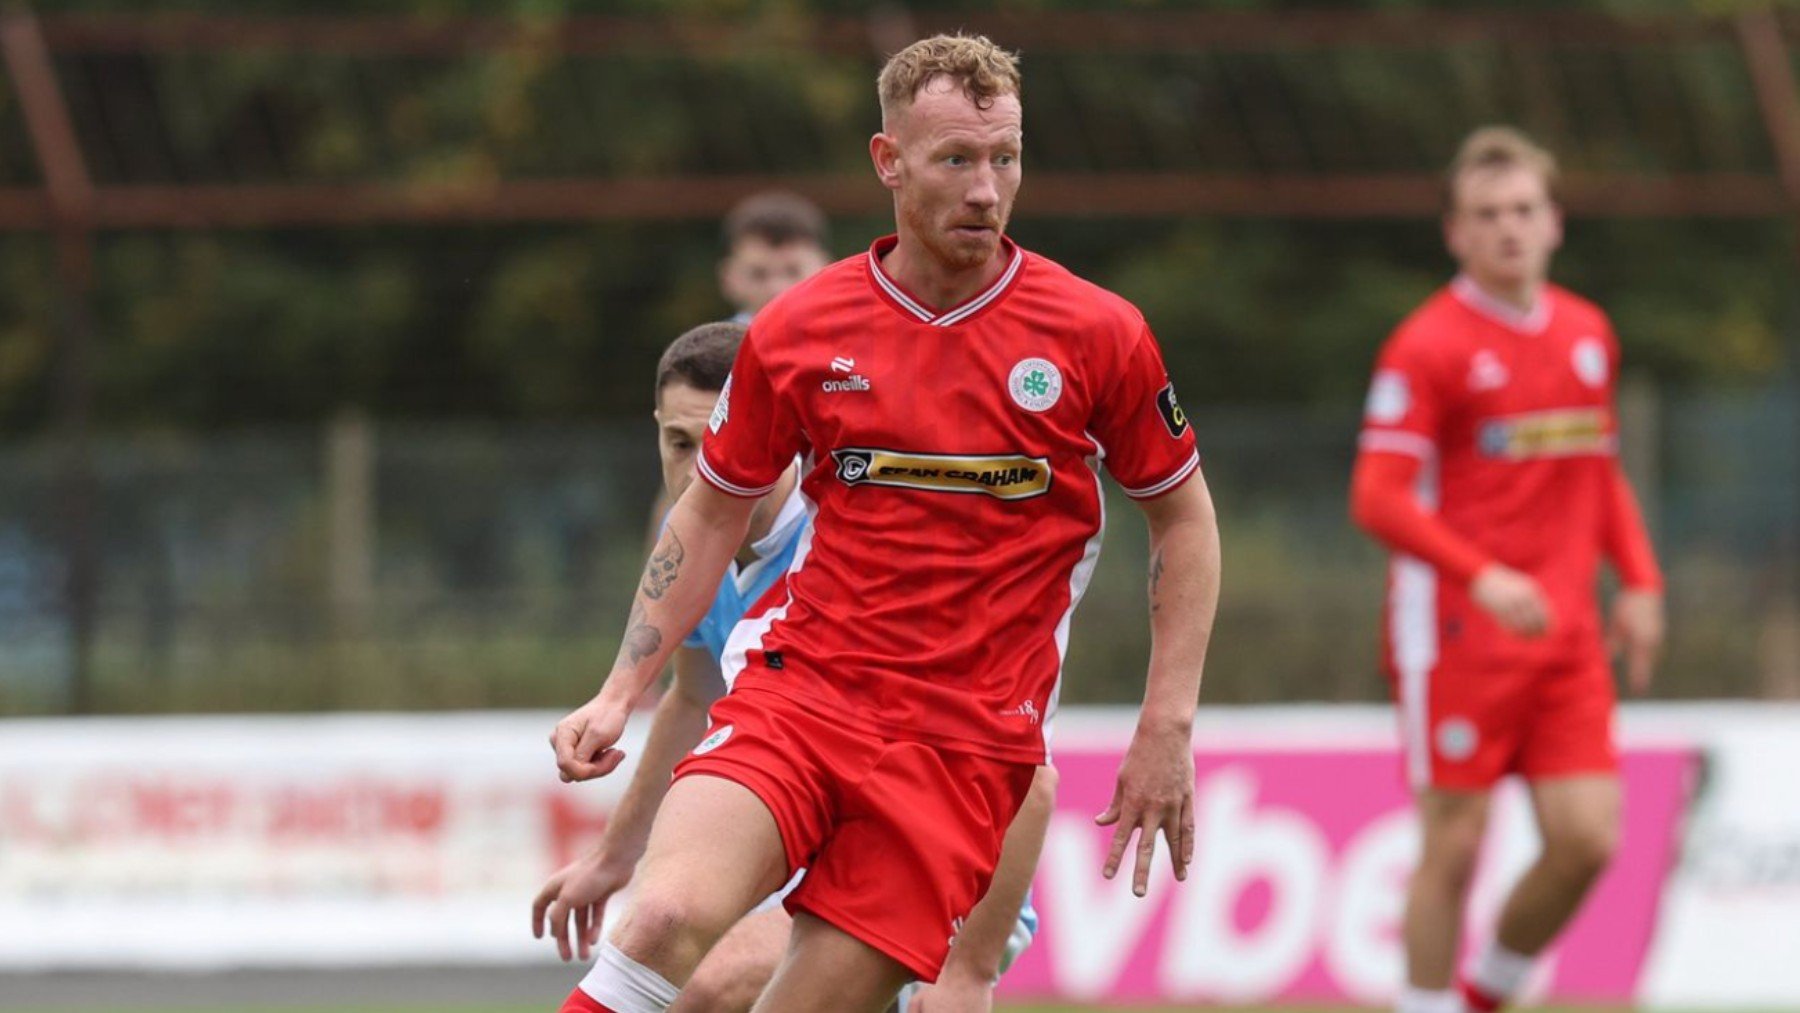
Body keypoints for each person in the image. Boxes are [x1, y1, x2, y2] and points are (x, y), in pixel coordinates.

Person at [551, 33, 1221, 1013]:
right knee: (660, 926)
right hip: (804, 695)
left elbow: (1186, 524)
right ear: (889, 161)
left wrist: (1166, 722)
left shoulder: (1096, 334)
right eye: (957, 159)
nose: (987, 190)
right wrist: (618, 691)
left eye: (1006, 157)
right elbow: (706, 511)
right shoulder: (800, 330)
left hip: (965, 750)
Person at [532, 320, 1055, 1011]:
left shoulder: (864, 542)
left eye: (717, 439)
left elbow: (1025, 766)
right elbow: (693, 702)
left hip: (933, 877)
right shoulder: (690, 539)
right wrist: (612, 856)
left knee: (708, 987)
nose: (697, 468)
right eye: (678, 442)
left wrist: (969, 966)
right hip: (791, 856)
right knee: (668, 947)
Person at [1349, 126, 1665, 1013]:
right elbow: (1377, 496)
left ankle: (1485, 994)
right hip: (1456, 634)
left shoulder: (1588, 333)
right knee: (1454, 845)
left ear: (1555, 221)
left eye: (1524, 210)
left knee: (1589, 839)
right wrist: (1480, 574)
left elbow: (1596, 474)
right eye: (1486, 215)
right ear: (1455, 232)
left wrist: (1640, 581)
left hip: (1563, 634)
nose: (1508, 230)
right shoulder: (1427, 346)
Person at [718, 191, 833, 322]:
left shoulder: (852, 340)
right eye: (758, 274)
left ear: (827, 270)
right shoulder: (713, 343)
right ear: (728, 277)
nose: (776, 289)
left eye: (793, 272)